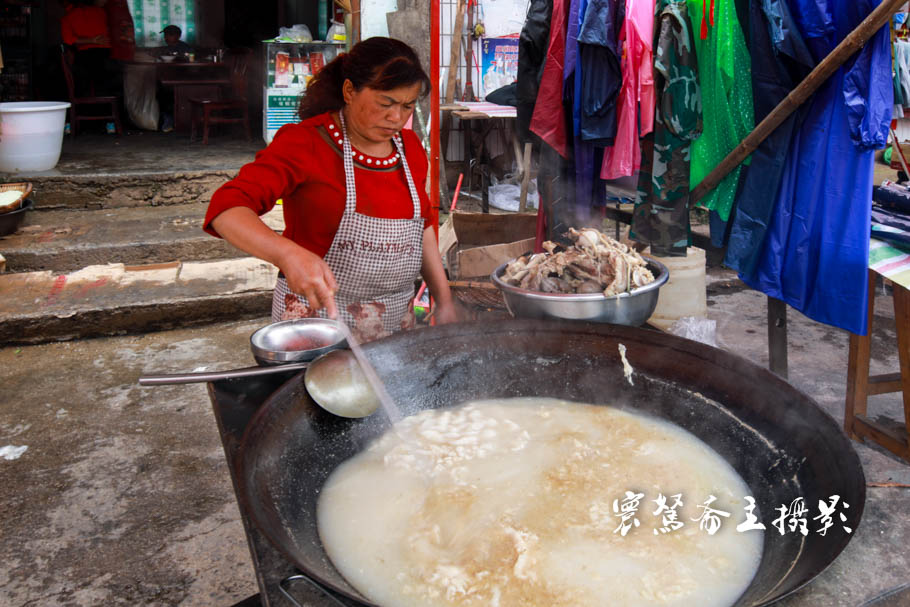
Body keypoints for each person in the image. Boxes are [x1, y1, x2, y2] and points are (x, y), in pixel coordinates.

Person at [203, 37, 457, 342]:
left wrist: (444, 300)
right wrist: (286, 254)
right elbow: (226, 209)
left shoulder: (411, 150)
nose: (396, 118)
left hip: (392, 324)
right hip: (316, 325)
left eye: (407, 106)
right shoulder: (306, 143)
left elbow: (423, 228)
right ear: (349, 91)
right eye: (385, 103)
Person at [61, 0, 114, 96]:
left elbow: (68, 40)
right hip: (108, 56)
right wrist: (94, 40)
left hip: (85, 58)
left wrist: (92, 40)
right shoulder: (102, 12)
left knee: (83, 84)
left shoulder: (67, 17)